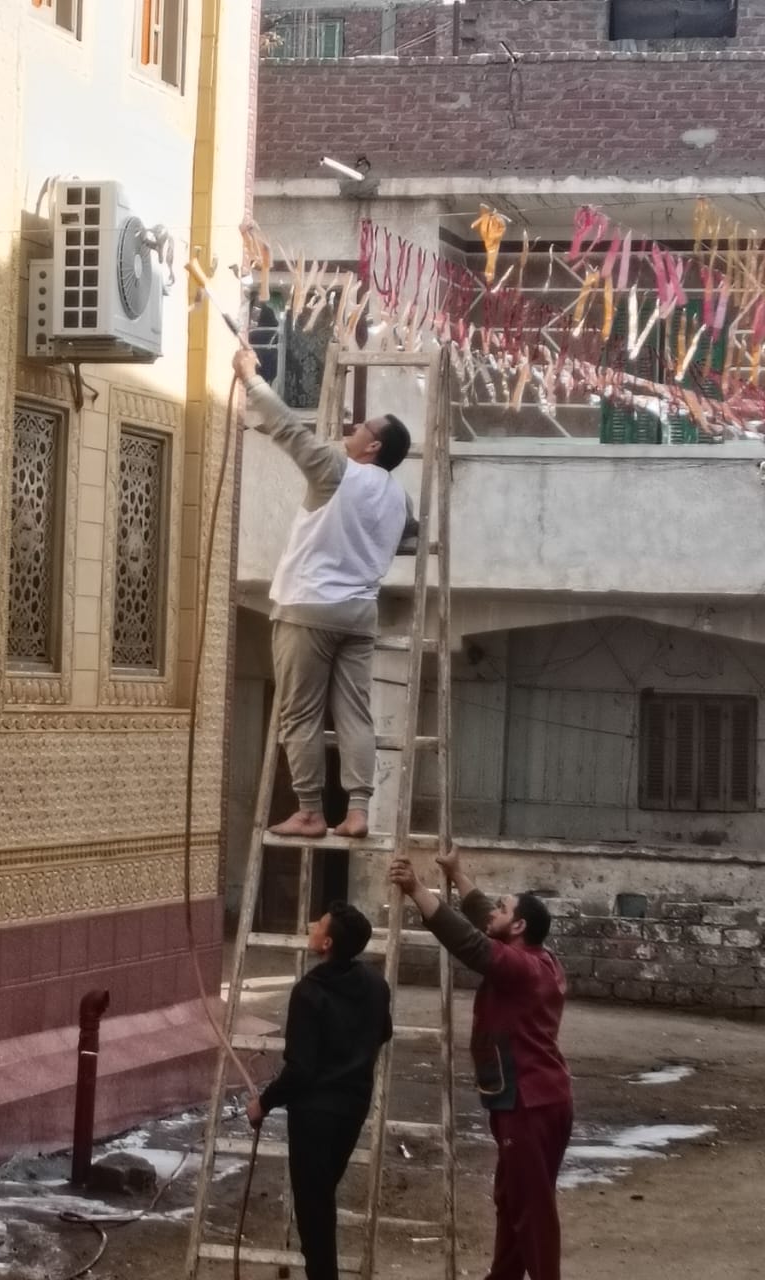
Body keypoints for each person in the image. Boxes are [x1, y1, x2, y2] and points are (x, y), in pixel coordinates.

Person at [232, 347, 416, 841]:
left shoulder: (337, 471)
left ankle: (310, 811)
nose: (352, 428)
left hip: (309, 607)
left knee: (301, 714)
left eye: (362, 428)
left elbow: (290, 430)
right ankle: (358, 811)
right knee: (355, 712)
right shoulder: (399, 496)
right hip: (360, 613)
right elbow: (411, 535)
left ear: (373, 446)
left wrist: (251, 379)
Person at [389, 848, 573, 1280]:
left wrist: (417, 889)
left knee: (530, 1208)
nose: (494, 911)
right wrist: (457, 874)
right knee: (513, 1199)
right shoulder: (541, 959)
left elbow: (470, 943)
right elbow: (485, 918)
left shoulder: (521, 967)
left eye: (503, 909)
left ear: (519, 926)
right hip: (540, 1098)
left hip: (527, 1101)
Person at [246, 902, 392, 1280]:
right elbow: (383, 1032)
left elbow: (300, 1070)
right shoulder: (376, 985)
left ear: (326, 943)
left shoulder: (309, 992)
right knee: (320, 1202)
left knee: (315, 1215)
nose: (312, 925)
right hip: (353, 1107)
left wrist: (263, 1103)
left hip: (314, 1116)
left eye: (319, 924)